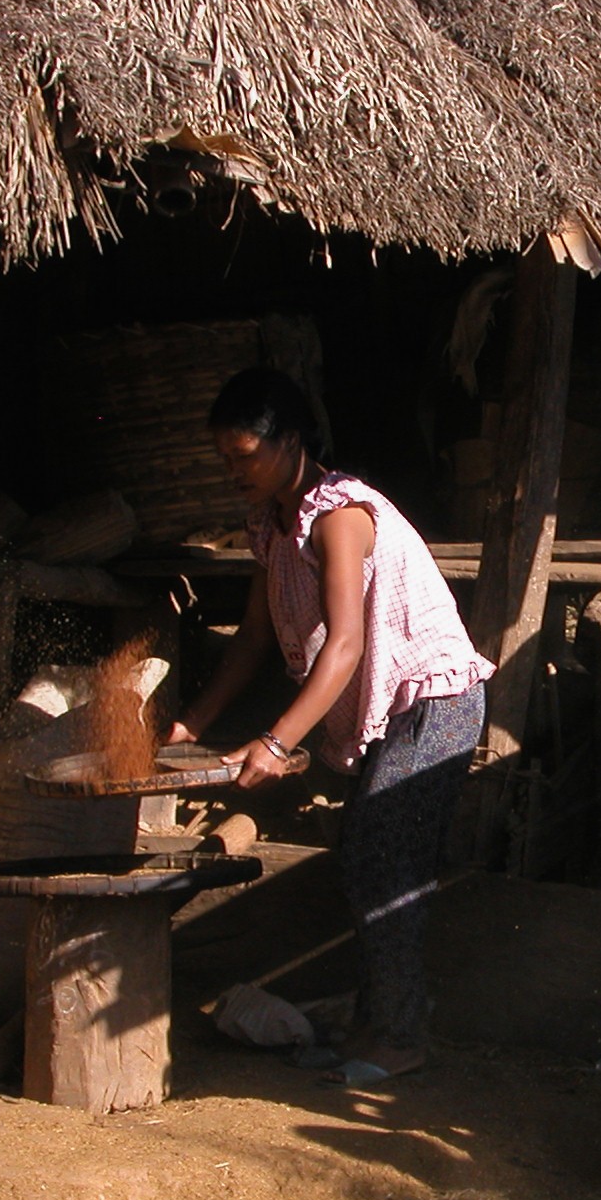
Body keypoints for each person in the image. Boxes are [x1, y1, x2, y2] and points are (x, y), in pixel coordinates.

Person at [169, 367, 491, 1087]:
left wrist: (277, 740)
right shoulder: (271, 526)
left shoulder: (341, 515)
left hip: (434, 701)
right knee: (366, 857)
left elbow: (344, 645)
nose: (234, 471)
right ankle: (377, 1021)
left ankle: (401, 1037)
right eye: (224, 458)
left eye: (244, 455)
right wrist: (190, 723)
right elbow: (254, 638)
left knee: (383, 861)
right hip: (393, 708)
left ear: (289, 441)